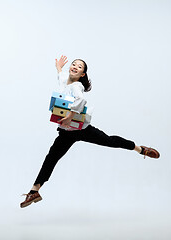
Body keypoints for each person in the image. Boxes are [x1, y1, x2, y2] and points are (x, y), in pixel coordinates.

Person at [20, 55, 160, 208]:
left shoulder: (77, 86)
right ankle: (34, 191)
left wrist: (69, 117)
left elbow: (81, 101)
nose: (75, 66)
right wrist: (59, 66)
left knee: (110, 141)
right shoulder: (64, 78)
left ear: (82, 75)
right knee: (51, 158)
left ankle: (140, 149)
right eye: (73, 64)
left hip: (82, 130)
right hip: (66, 133)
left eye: (79, 67)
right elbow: (61, 74)